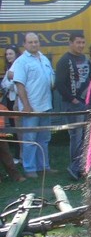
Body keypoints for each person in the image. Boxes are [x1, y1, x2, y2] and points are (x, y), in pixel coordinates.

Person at [11, 32, 55, 178]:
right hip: (31, 107)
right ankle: (30, 169)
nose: (34, 44)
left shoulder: (43, 58)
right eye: (30, 42)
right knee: (30, 140)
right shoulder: (21, 61)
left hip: (45, 105)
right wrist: (26, 106)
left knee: (44, 139)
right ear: (25, 44)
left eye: (36, 41)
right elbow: (19, 84)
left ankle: (44, 167)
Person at [55, 33, 91, 180]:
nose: (81, 45)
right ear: (70, 43)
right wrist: (73, 99)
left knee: (84, 136)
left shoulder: (84, 59)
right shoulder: (64, 60)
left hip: (84, 102)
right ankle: (74, 167)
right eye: (78, 42)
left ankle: (81, 166)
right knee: (75, 136)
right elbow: (59, 84)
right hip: (72, 104)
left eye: (83, 43)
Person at [2, 45, 20, 110]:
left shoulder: (20, 66)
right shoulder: (8, 67)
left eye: (10, 54)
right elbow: (4, 84)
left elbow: (13, 85)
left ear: (16, 54)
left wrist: (7, 84)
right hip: (9, 98)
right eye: (7, 54)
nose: (8, 56)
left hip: (17, 100)